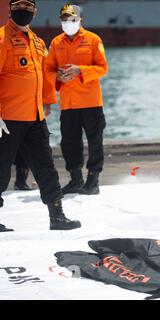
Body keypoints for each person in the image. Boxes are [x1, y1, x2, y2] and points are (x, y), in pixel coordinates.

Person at [0, 0, 81, 231]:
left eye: (28, 6)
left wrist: (52, 93)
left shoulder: (37, 42)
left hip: (35, 117)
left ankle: (57, 216)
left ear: (35, 12)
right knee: (1, 167)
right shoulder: (2, 38)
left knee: (46, 167)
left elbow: (44, 75)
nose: (23, 10)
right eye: (18, 5)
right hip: (8, 118)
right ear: (10, 9)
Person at [44, 3, 108, 195]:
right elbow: (47, 69)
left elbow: (103, 68)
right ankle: (76, 179)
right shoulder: (56, 43)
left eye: (72, 19)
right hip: (68, 102)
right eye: (64, 19)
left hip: (91, 102)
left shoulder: (93, 40)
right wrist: (57, 76)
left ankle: (93, 180)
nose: (67, 23)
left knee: (95, 140)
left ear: (81, 20)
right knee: (69, 142)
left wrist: (81, 70)